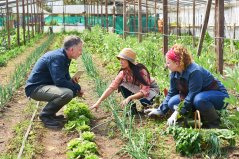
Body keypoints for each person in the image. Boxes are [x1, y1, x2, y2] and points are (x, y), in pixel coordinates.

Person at [145, 44, 229, 128]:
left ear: (177, 63)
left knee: (199, 99)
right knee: (172, 102)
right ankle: (196, 117)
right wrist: (160, 110)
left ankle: (214, 124)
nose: (166, 65)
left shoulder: (194, 71)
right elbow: (171, 93)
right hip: (198, 95)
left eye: (168, 62)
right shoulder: (174, 73)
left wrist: (177, 112)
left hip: (218, 95)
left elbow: (192, 95)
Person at [25, 35, 84, 129]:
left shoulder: (65, 57)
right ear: (72, 49)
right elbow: (59, 81)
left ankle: (51, 115)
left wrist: (74, 84)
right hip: (35, 89)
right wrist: (77, 87)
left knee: (71, 91)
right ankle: (45, 115)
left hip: (44, 86)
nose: (81, 53)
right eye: (80, 49)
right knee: (67, 93)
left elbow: (65, 77)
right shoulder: (58, 57)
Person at [90, 48, 160, 115]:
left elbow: (145, 91)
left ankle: (152, 107)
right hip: (139, 89)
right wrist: (98, 102)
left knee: (144, 102)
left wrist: (130, 97)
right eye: (120, 59)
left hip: (151, 89)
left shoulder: (140, 71)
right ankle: (132, 109)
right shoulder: (123, 73)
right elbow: (111, 88)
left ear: (129, 61)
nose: (120, 61)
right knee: (122, 85)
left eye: (123, 59)